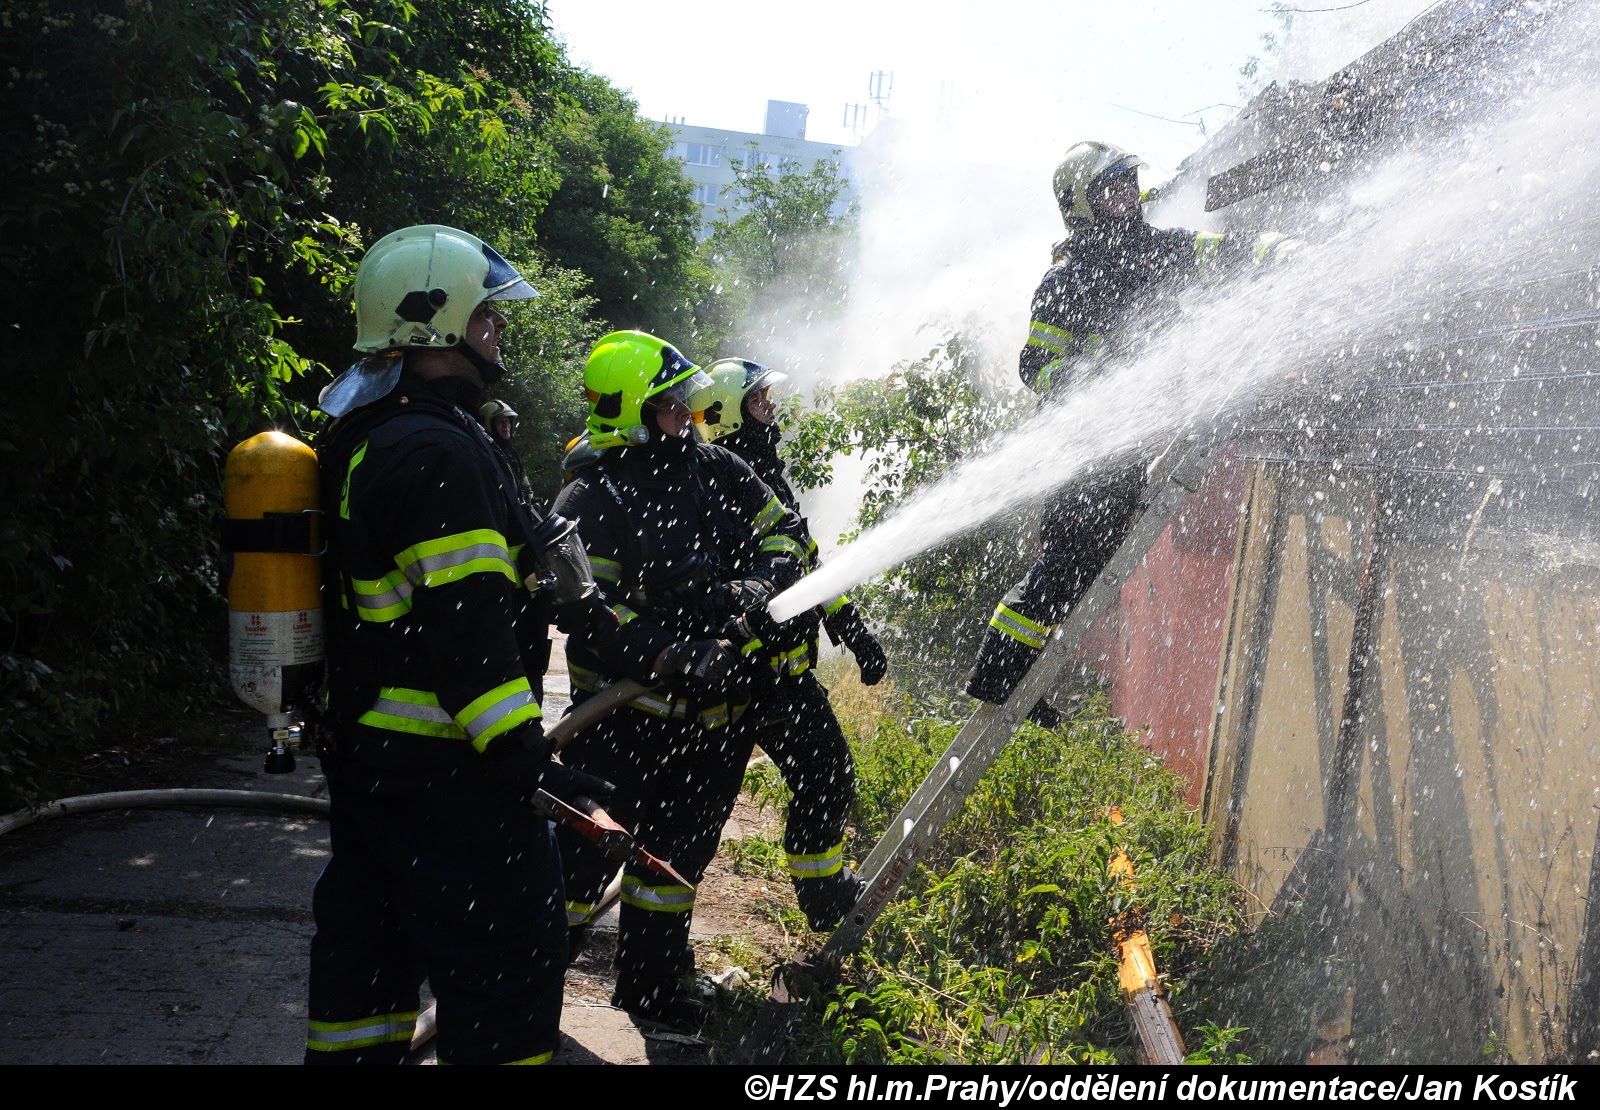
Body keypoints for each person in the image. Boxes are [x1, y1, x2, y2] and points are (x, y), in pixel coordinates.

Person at [304, 224, 606, 1065]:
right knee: (505, 973)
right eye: (486, 317)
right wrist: (526, 761)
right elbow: (468, 635)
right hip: (448, 778)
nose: (497, 331)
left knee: (364, 975)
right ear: (434, 323)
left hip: (371, 765)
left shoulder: (369, 434)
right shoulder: (438, 452)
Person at [966, 142, 1297, 720]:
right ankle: (998, 675)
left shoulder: (1152, 250)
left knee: (1079, 567)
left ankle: (1010, 677)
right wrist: (1090, 384)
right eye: (1111, 186)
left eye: (1128, 182)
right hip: (1079, 449)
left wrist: (1275, 250)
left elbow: (1214, 252)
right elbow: (1034, 364)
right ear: (1083, 204)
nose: (1126, 193)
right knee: (1065, 563)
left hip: (1121, 446)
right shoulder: (1067, 279)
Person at [550, 330, 810, 1029]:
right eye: (671, 407)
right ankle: (528, 984)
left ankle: (653, 986)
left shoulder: (717, 469)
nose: (687, 419)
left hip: (714, 723)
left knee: (674, 862)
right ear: (632, 413)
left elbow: (784, 534)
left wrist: (760, 587)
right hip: (617, 726)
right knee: (579, 868)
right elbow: (585, 609)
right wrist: (667, 654)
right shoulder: (592, 495)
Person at [689, 357, 886, 930]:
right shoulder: (716, 479)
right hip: (747, 681)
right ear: (727, 415)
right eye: (759, 401)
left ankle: (823, 898)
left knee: (825, 776)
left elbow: (806, 566)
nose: (770, 411)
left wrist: (852, 629)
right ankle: (649, 956)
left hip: (778, 680)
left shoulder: (760, 474)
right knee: (705, 816)